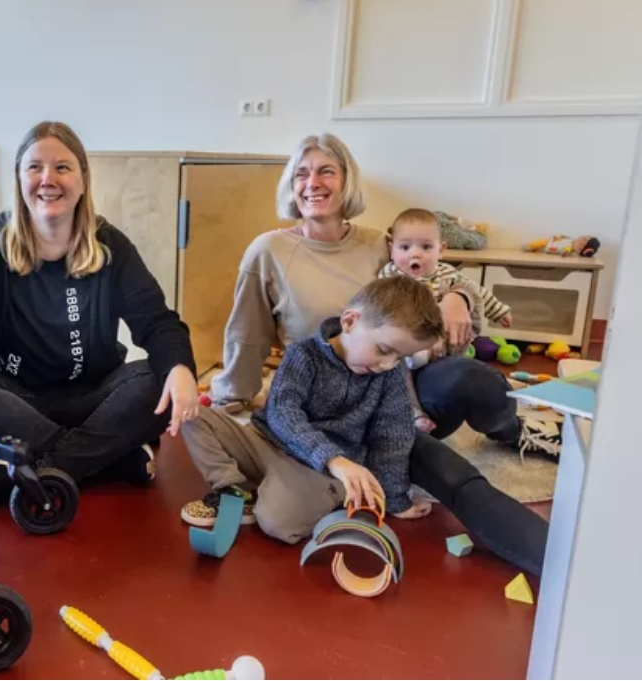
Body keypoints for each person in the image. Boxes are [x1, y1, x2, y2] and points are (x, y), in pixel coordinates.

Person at [206, 132, 549, 577]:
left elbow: (436, 268)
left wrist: (458, 296)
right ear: (291, 186)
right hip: (327, 402)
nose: (313, 182)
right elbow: (245, 335)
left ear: (347, 180)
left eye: (326, 170)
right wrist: (234, 394)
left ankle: (516, 435)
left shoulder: (378, 242)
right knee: (436, 466)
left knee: (473, 382)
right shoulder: (269, 250)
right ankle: (554, 561)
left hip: (397, 387)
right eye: (302, 173)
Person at [0, 121, 199, 504]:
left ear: (83, 180)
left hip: (93, 398)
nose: (47, 178)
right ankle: (107, 459)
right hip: (11, 398)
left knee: (156, 379)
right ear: (19, 179)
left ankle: (27, 470)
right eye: (34, 167)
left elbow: (157, 320)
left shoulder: (110, 245)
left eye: (62, 167)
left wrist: (181, 368)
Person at [181, 277, 442, 540]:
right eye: (384, 350)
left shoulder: (390, 375)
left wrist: (394, 498)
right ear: (350, 322)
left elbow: (392, 439)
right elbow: (282, 412)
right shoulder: (303, 355)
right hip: (266, 442)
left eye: (399, 358)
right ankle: (233, 489)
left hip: (317, 472)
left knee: (279, 523)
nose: (388, 364)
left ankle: (270, 490)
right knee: (194, 414)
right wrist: (332, 457)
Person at [379, 208, 533, 438]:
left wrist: (499, 310)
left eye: (426, 247)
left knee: (459, 357)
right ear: (392, 248)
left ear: (441, 250)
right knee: (394, 367)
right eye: (405, 247)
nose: (415, 255)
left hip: (441, 348)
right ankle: (413, 412)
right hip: (406, 346)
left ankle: (502, 422)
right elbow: (378, 307)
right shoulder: (389, 276)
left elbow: (479, 292)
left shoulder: (446, 274)